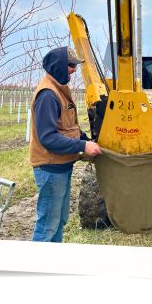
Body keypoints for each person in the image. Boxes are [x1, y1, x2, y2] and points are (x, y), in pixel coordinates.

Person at [29, 47, 103, 243]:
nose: (74, 70)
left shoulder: (60, 91)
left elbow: (68, 127)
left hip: (61, 168)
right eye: (71, 65)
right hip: (51, 170)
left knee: (59, 221)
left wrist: (88, 141)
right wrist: (82, 146)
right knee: (47, 225)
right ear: (59, 66)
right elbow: (48, 138)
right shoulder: (48, 95)